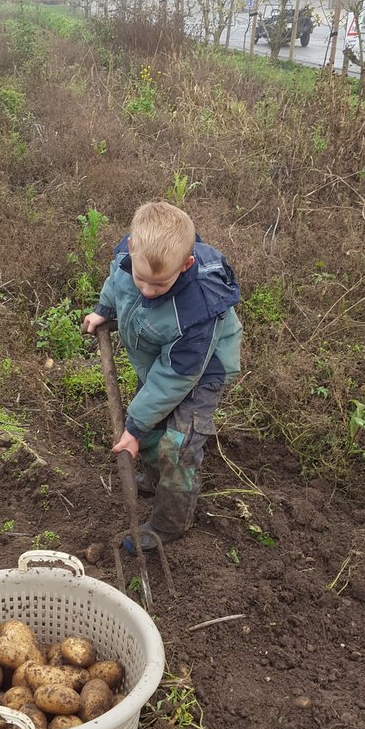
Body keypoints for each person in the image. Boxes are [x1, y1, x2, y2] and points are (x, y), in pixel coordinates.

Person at [82, 200, 242, 552]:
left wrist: (134, 427)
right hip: (160, 359)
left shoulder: (197, 308)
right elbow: (118, 281)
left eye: (159, 284)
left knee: (177, 445)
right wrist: (103, 309)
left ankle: (170, 522)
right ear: (133, 251)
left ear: (185, 266)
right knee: (152, 425)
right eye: (142, 278)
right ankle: (154, 480)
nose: (147, 290)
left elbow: (176, 377)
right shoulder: (132, 259)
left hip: (197, 372)